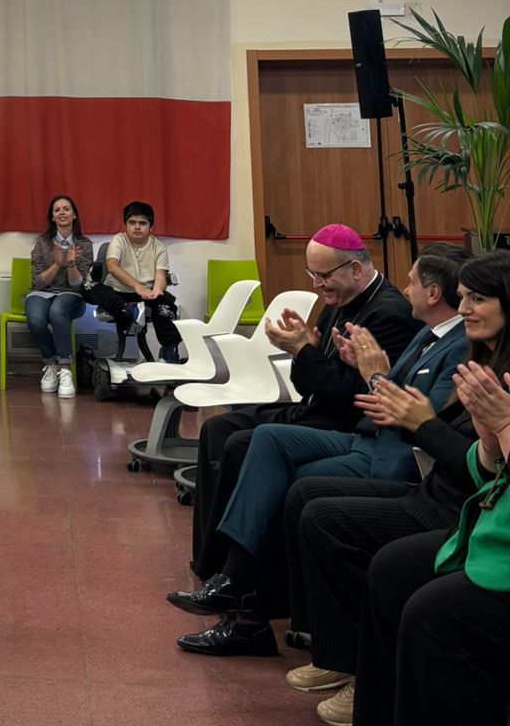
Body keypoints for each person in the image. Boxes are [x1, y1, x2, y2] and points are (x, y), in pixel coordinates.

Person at [172, 247, 469, 656]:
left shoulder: (447, 339)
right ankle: (234, 577)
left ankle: (249, 610)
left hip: (389, 454)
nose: (405, 289)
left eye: (412, 282)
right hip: (364, 436)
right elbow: (376, 393)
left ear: (433, 293)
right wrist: (352, 363)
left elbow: (418, 417)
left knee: (289, 483)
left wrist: (370, 374)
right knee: (263, 439)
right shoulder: (427, 331)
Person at [285, 250, 509, 719]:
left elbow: (463, 457)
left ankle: (364, 679)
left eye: (477, 299)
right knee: (307, 496)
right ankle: (337, 656)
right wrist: (366, 373)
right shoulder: (472, 352)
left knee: (336, 521)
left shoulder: (480, 363)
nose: (464, 308)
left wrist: (417, 417)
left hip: (453, 505)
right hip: (434, 488)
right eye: (463, 297)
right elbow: (462, 448)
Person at [342, 352, 510, 726]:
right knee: (395, 570)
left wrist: (503, 428)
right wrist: (490, 442)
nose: (466, 312)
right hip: (488, 534)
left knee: (440, 615)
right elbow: (487, 471)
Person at [188, 224, 416, 580]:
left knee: (239, 443)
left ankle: (239, 570)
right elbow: (309, 379)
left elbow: (356, 395)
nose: (316, 285)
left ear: (355, 269)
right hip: (315, 408)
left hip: (342, 421)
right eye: (312, 274)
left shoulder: (389, 314)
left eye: (323, 275)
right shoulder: (339, 300)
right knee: (217, 428)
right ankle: (208, 560)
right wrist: (303, 349)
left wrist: (303, 351)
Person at [24, 193, 95, 399]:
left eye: (66, 209)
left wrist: (71, 264)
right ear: (52, 217)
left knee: (57, 311)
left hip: (70, 295)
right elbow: (37, 282)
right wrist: (56, 264)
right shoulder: (42, 243)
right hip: (42, 292)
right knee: (35, 318)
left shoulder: (84, 244)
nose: (62, 213)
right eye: (57, 210)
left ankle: (65, 369)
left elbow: (78, 285)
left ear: (74, 215)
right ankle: (51, 363)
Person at [95, 200, 182, 362]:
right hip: (118, 293)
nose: (136, 227)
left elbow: (161, 276)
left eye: (142, 223)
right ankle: (129, 310)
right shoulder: (118, 240)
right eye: (132, 222)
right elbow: (112, 267)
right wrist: (137, 286)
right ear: (125, 225)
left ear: (151, 227)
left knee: (166, 304)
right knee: (90, 288)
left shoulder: (158, 247)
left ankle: (170, 351)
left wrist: (157, 290)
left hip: (146, 294)